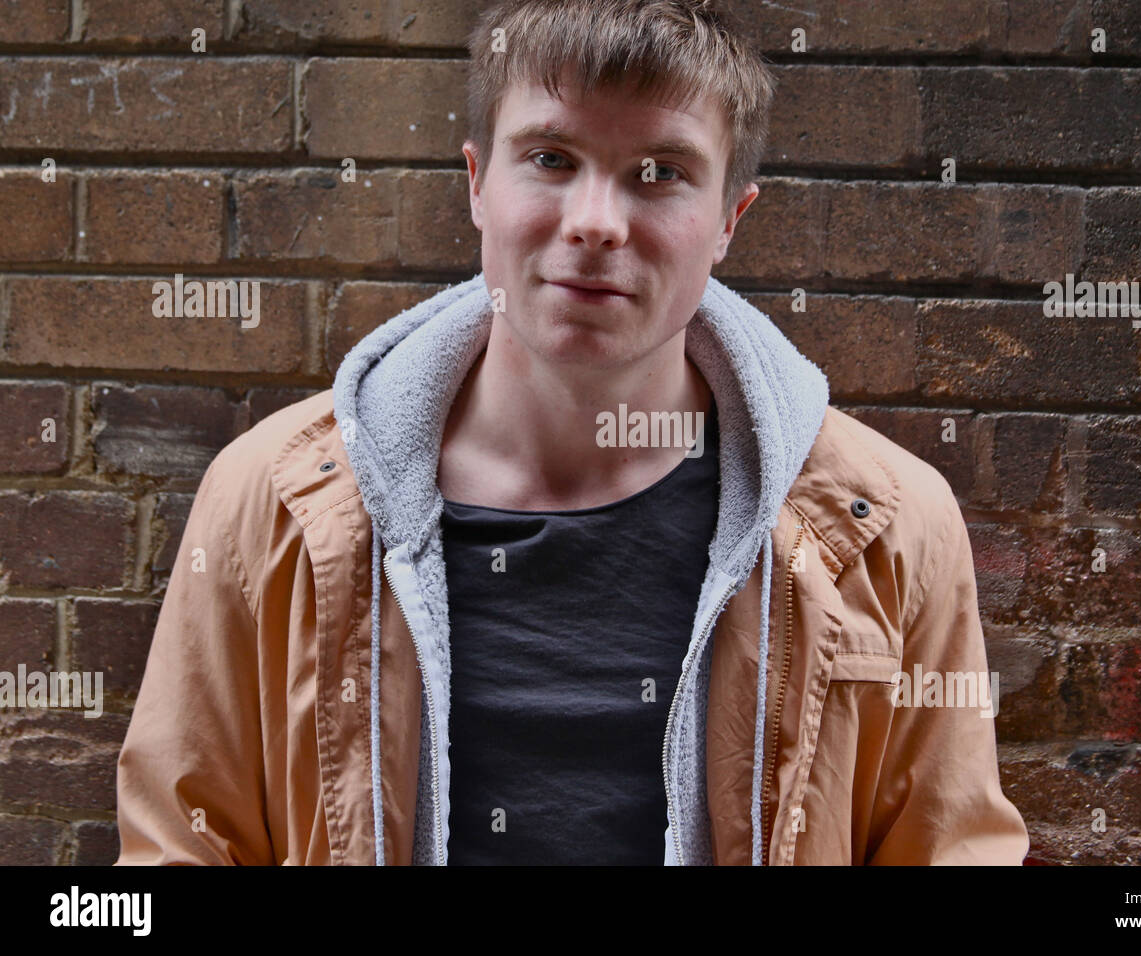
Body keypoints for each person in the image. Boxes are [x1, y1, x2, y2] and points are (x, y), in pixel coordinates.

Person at [115, 0, 1029, 865]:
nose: (596, 223)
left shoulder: (886, 525)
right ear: (477, 184)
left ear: (727, 221)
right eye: (551, 159)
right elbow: (183, 846)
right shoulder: (271, 501)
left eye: (661, 173)